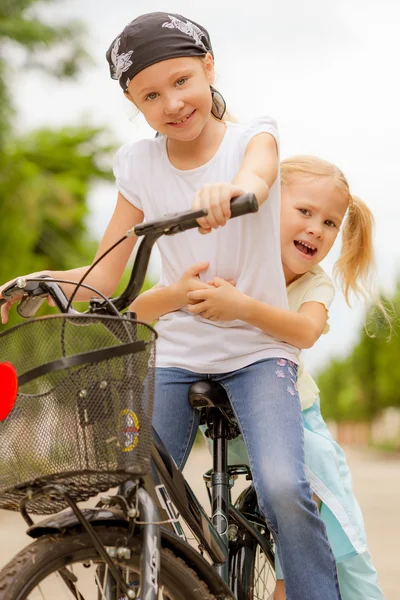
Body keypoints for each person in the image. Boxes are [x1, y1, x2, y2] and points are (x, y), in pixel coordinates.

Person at [0, 13, 342, 600]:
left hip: (258, 354)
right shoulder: (137, 163)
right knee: (126, 490)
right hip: (176, 351)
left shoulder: (250, 137)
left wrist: (233, 192)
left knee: (284, 487)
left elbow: (257, 179)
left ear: (209, 67)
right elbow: (106, 274)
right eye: (150, 95)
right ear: (134, 102)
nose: (172, 103)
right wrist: (30, 279)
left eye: (182, 81)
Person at [132, 155, 386, 600]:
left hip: (291, 413)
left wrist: (241, 308)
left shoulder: (315, 284)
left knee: (303, 489)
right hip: (218, 394)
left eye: (329, 223)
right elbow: (139, 311)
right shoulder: (235, 253)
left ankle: (292, 582)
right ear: (270, 207)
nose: (315, 229)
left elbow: (305, 331)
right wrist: (178, 296)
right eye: (304, 212)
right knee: (147, 476)